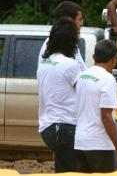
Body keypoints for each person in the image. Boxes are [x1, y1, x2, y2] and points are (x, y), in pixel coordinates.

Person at [74, 40, 117, 173]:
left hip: (80, 142)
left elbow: (90, 102)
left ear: (94, 57)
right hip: (99, 144)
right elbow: (106, 116)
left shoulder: (82, 76)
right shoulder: (107, 78)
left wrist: (113, 105)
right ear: (114, 60)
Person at [37, 18, 81, 172]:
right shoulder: (70, 65)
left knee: (63, 171)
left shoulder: (45, 63)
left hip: (48, 128)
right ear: (71, 41)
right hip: (65, 128)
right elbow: (86, 93)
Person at [38, 1, 86, 71]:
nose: (82, 23)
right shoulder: (55, 44)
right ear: (69, 21)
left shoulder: (67, 43)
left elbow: (83, 70)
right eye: (79, 19)